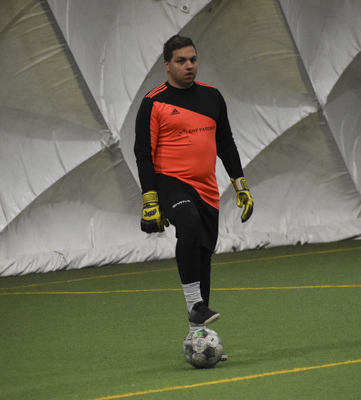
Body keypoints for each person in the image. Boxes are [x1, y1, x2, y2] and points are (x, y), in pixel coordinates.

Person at [134, 35, 253, 336]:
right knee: (188, 223)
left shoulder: (212, 96)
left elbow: (226, 143)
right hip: (170, 183)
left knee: (203, 253)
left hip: (207, 188)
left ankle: (197, 333)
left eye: (193, 59)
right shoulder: (153, 102)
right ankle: (195, 304)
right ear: (166, 64)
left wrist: (240, 185)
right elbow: (143, 153)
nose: (189, 66)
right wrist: (150, 199)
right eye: (181, 61)